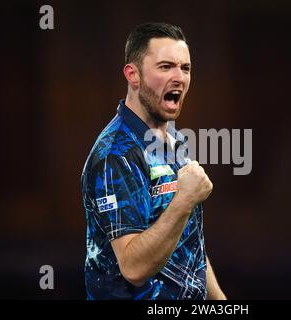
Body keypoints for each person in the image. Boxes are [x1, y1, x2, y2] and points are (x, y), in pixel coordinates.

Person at [81, 22, 226, 300]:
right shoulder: (116, 155)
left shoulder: (174, 141)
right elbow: (134, 268)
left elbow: (187, 241)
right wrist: (184, 199)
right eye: (165, 67)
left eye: (185, 68)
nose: (179, 78)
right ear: (132, 75)